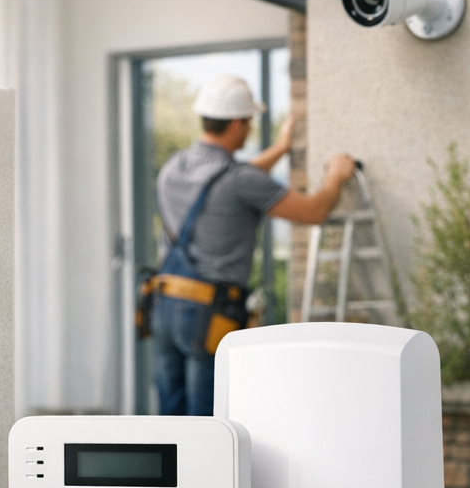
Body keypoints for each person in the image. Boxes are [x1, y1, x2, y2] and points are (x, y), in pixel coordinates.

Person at [152, 73, 356, 417]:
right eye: (248, 122)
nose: (249, 129)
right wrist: (336, 175)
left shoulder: (174, 167)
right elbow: (314, 211)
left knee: (172, 421)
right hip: (208, 314)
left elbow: (230, 178)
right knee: (208, 422)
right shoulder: (241, 180)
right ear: (236, 125)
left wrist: (278, 149)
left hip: (164, 305)